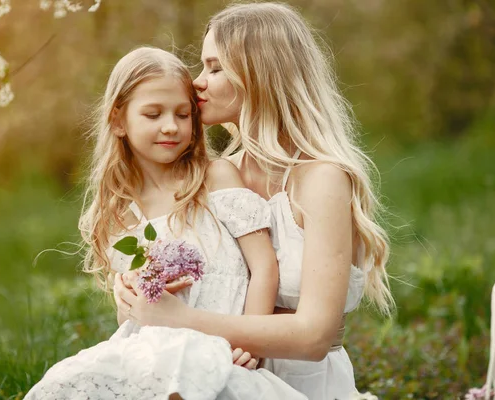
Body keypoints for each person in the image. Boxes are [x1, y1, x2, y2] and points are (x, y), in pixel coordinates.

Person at [115, 3, 395, 400]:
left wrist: (185, 321)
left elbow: (315, 335)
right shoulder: (213, 176)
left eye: (214, 67)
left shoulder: (321, 180)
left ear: (259, 74)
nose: (197, 83)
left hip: (304, 386)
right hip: (212, 376)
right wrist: (134, 294)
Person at [25, 46, 306, 400]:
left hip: (223, 348)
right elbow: (132, 320)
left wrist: (252, 341)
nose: (170, 126)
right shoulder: (119, 213)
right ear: (118, 121)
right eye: (153, 114)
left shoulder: (215, 178)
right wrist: (127, 295)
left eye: (183, 114)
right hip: (154, 351)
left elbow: (264, 266)